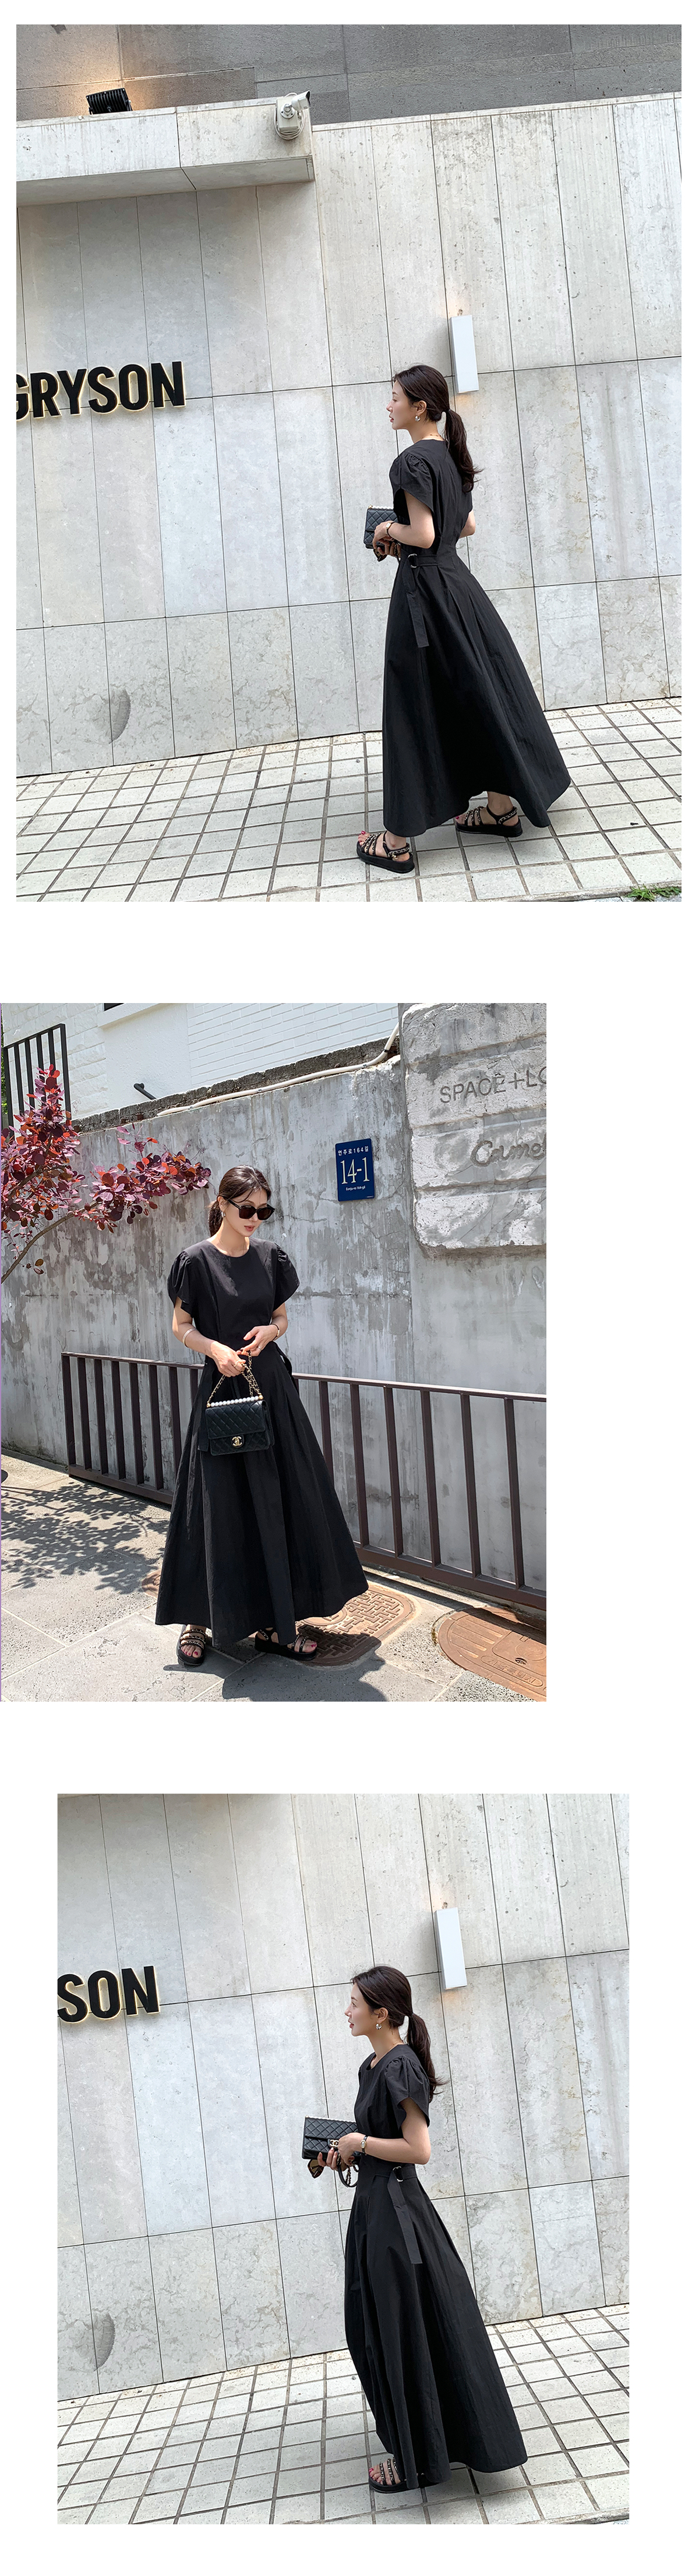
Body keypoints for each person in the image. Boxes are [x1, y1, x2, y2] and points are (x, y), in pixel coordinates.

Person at [316, 1965, 527, 2494]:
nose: (347, 2011)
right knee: (380, 2328)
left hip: (397, 2218)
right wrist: (343, 2151)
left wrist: (361, 2143)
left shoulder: (400, 2065)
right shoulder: (373, 2065)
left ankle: (417, 2460)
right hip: (376, 2213)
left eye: (354, 2002)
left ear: (381, 2013)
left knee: (400, 2329)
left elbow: (419, 2148)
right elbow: (379, 2137)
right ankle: (420, 2445)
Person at [357, 364, 571, 874]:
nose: (388, 406)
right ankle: (499, 809)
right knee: (479, 688)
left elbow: (425, 534)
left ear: (419, 408)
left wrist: (386, 529)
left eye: (395, 398)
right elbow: (467, 525)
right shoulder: (452, 454)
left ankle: (396, 843)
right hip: (459, 589)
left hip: (425, 594)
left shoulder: (411, 461)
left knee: (412, 701)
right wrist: (413, 534)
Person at [154, 1165, 368, 1664]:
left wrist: (271, 1332)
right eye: (247, 1208)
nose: (255, 1218)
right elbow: (180, 1324)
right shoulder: (195, 1261)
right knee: (217, 1504)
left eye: (264, 1209)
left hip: (270, 1389)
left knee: (280, 1500)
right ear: (222, 1205)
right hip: (223, 1392)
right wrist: (214, 1349)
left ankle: (278, 1624)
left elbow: (281, 1317)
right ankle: (198, 1618)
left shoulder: (271, 1257)